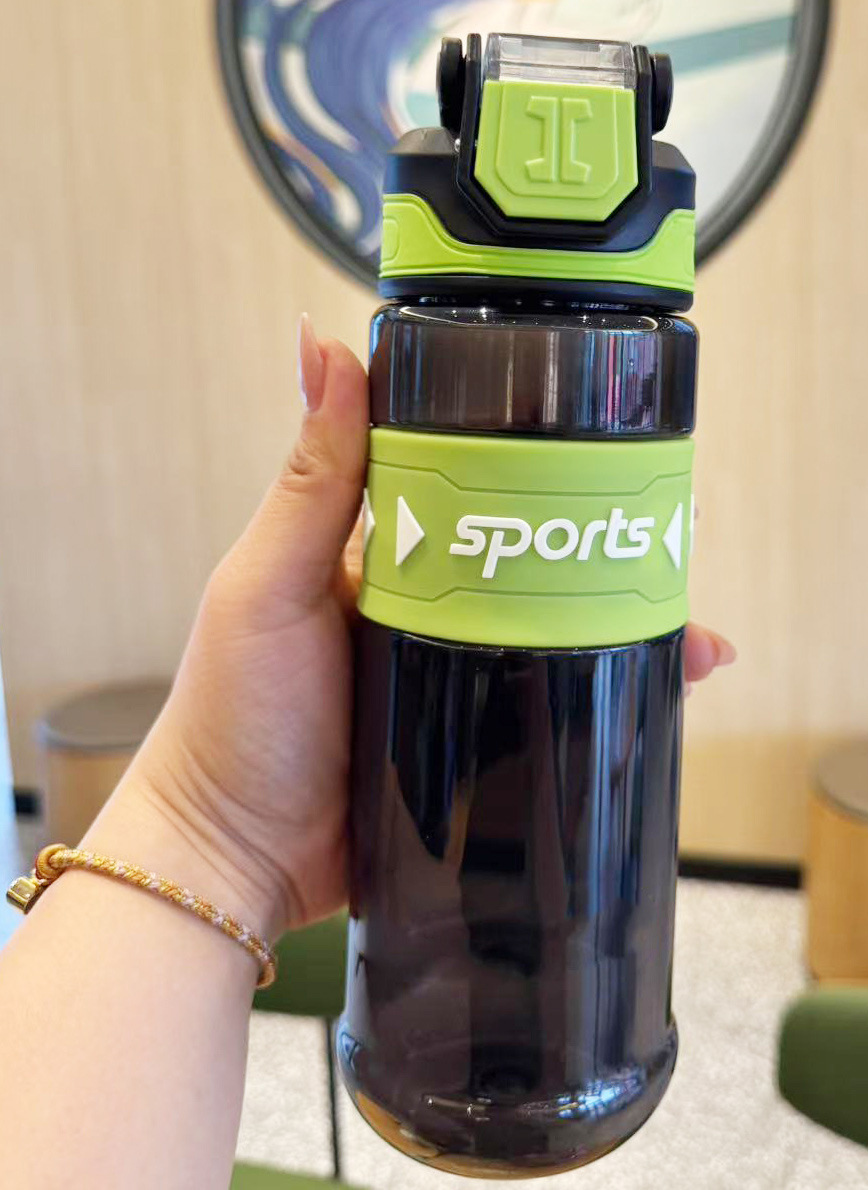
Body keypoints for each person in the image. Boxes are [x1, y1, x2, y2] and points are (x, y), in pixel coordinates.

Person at [0, 318, 736, 1189]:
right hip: (424, 1027)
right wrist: (213, 826)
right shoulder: (461, 339)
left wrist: (209, 833)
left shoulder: (636, 340)